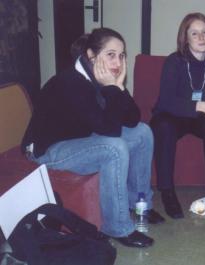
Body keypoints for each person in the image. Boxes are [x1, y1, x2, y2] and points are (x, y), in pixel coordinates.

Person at [21, 28, 165, 248]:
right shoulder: (70, 82)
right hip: (48, 150)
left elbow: (133, 120)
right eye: (110, 54)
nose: (118, 61)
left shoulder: (99, 77)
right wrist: (112, 88)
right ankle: (117, 227)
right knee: (114, 147)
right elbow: (110, 129)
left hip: (80, 137)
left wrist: (119, 87)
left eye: (121, 55)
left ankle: (138, 203)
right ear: (91, 56)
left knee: (143, 133)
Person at [150, 13, 205, 221]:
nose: (201, 37)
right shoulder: (174, 61)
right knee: (164, 127)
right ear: (185, 38)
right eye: (194, 33)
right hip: (172, 115)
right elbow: (166, 101)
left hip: (199, 118)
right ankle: (167, 191)